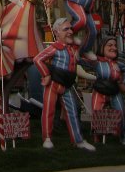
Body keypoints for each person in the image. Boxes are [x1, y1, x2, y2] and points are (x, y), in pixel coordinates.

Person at [33, 17, 96, 151]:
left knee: (72, 111)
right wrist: (46, 74)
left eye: (70, 28)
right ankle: (47, 138)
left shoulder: (73, 49)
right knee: (48, 110)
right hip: (53, 84)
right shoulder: (54, 48)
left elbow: (83, 59)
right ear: (57, 32)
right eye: (66, 29)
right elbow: (38, 59)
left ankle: (78, 140)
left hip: (67, 85)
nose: (70, 31)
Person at [86, 36, 125, 145]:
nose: (114, 48)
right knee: (97, 112)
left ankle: (123, 136)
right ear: (102, 48)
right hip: (100, 91)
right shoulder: (97, 62)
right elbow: (81, 58)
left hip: (114, 91)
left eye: (115, 45)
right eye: (110, 45)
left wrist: (122, 82)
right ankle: (97, 136)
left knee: (121, 112)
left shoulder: (119, 64)